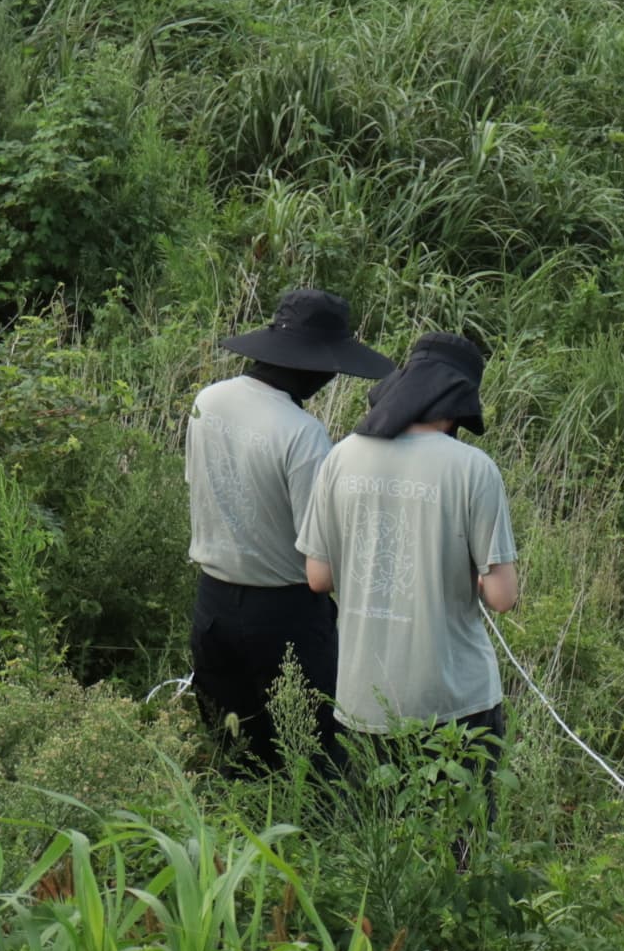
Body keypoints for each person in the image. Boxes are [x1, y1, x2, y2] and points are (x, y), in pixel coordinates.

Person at [297, 332, 520, 826]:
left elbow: (318, 576)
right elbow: (502, 596)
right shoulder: (473, 469)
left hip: (363, 699)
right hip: (454, 702)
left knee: (378, 841)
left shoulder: (342, 457)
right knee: (460, 842)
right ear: (460, 403)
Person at [183, 288, 394, 769]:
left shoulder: (208, 400)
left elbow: (200, 485)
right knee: (312, 755)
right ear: (312, 366)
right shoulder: (301, 432)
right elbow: (320, 545)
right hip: (286, 614)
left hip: (212, 604)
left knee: (234, 752)